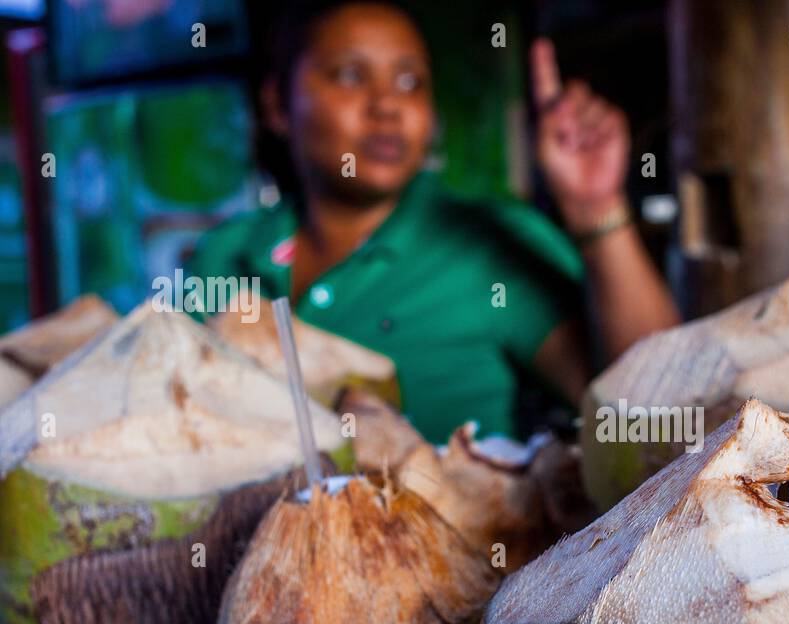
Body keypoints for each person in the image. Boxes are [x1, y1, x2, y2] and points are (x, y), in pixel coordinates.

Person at [187, 0, 680, 443]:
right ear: (277, 105)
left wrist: (597, 210)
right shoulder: (221, 256)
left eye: (410, 81)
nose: (387, 106)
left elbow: (656, 415)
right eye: (350, 75)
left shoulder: (488, 241)